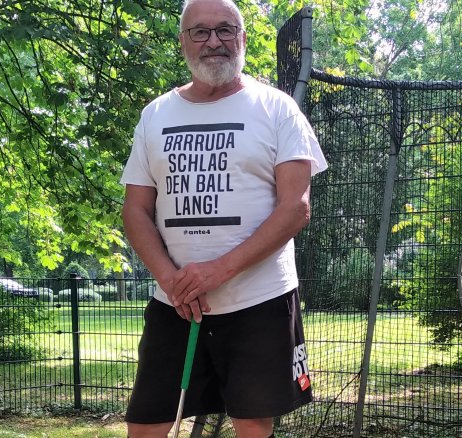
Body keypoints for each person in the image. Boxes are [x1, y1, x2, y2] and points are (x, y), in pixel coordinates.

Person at [119, 0, 327, 436]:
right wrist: (173, 282)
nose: (214, 41)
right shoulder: (154, 115)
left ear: (243, 38)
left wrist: (216, 272)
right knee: (147, 423)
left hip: (259, 300)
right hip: (173, 302)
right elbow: (135, 210)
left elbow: (296, 208)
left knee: (252, 423)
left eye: (225, 29)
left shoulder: (277, 108)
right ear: (183, 42)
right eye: (200, 31)